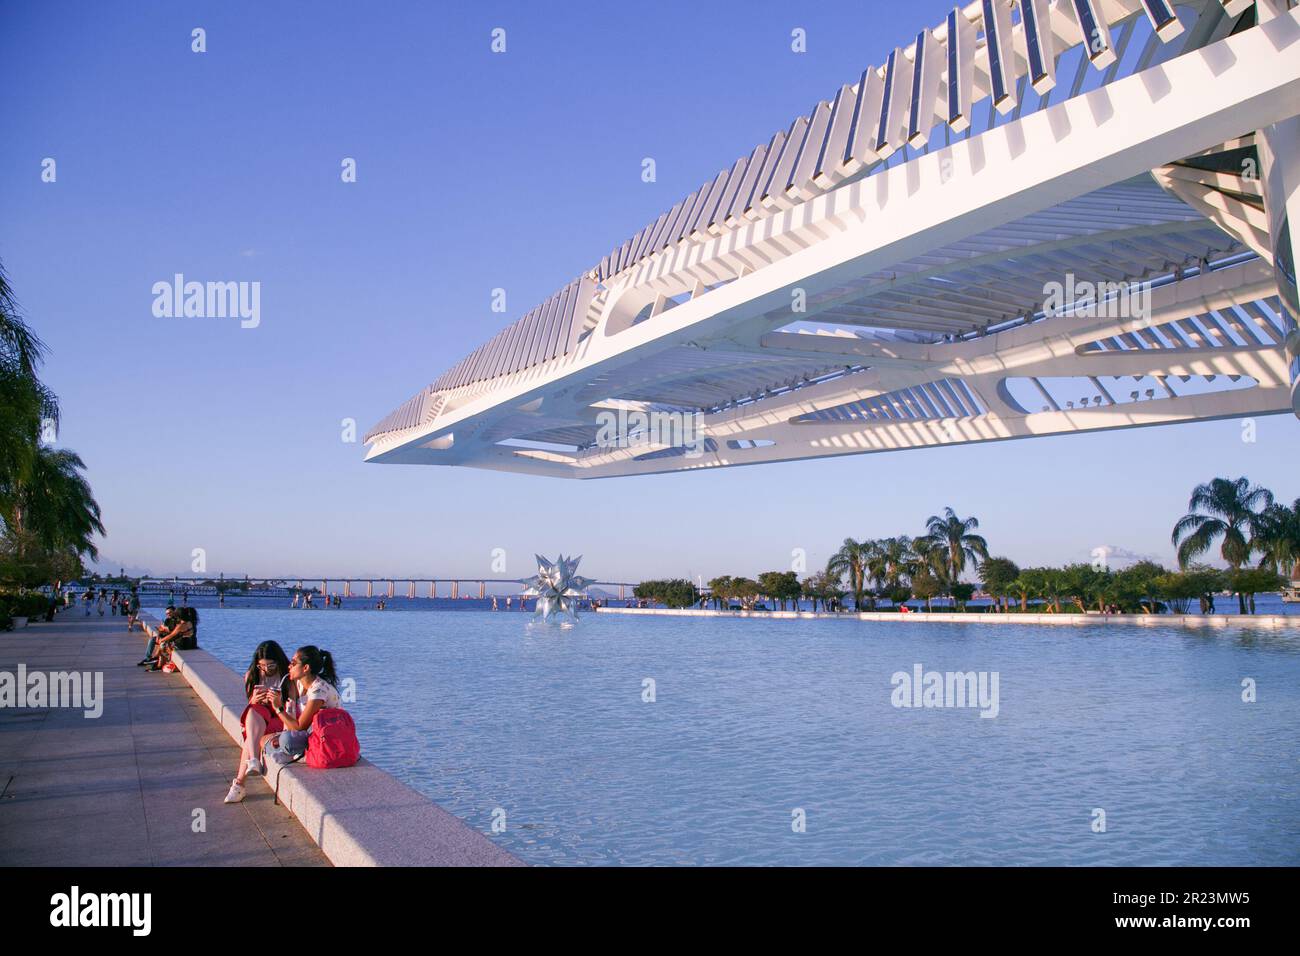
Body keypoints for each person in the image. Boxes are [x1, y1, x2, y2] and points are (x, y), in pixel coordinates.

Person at [223, 641, 297, 804]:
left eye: (270, 666)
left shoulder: (287, 676)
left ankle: (239, 784)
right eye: (262, 666)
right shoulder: (252, 674)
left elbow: (293, 707)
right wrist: (254, 699)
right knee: (253, 709)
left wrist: (278, 702)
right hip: (260, 717)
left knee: (251, 738)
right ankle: (254, 761)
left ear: (278, 662)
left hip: (281, 717)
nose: (266, 670)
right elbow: (251, 703)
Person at [257, 646, 341, 771]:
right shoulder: (300, 684)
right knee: (265, 740)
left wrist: (278, 708)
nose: (289, 666)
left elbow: (299, 727)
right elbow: (294, 721)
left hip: (325, 738)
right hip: (309, 735)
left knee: (285, 741)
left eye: (293, 663)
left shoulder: (318, 690)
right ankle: (296, 753)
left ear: (306, 668)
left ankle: (298, 755)